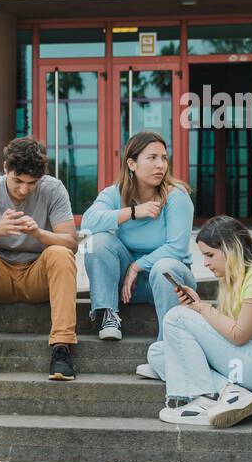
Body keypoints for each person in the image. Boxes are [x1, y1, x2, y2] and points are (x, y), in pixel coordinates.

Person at [147, 216, 252, 427]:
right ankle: (231, 392)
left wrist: (202, 308)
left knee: (176, 317)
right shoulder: (236, 278)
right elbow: (224, 332)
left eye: (210, 255)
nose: (206, 263)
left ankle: (204, 400)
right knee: (158, 352)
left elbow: (239, 335)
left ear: (231, 248)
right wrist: (197, 307)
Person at [0, 137, 79, 381]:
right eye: (18, 181)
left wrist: (39, 233)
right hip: (0, 276)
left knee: (60, 253)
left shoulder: (53, 189)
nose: (23, 189)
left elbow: (71, 243)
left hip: (37, 276)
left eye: (32, 183)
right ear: (5, 169)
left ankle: (62, 349)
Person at [81, 132, 196, 342]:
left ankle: (167, 344)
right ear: (132, 164)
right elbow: (88, 223)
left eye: (164, 158)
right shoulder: (115, 194)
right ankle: (108, 314)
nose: (161, 165)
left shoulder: (176, 196)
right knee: (96, 242)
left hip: (168, 283)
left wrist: (136, 266)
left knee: (164, 267)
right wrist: (134, 212)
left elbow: (177, 248)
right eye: (152, 158)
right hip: (127, 286)